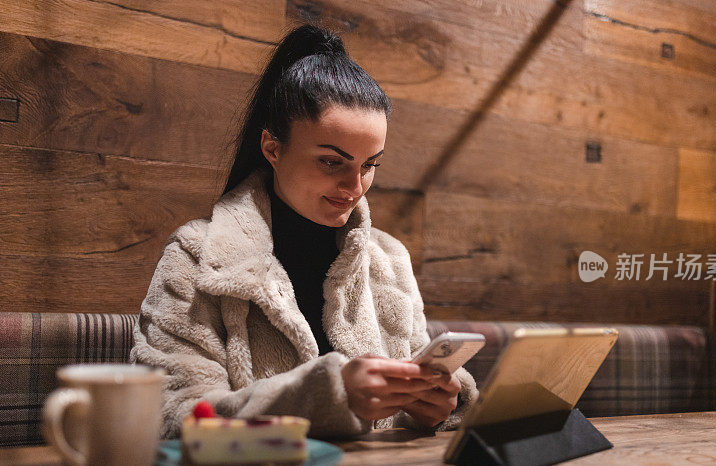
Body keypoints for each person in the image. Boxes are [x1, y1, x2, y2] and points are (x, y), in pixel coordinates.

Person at [130, 23, 478, 440]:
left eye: (370, 165)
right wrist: (328, 396)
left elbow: (397, 421)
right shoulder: (196, 256)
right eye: (333, 162)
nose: (355, 188)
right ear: (272, 148)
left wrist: (432, 408)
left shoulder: (388, 260)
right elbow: (171, 415)